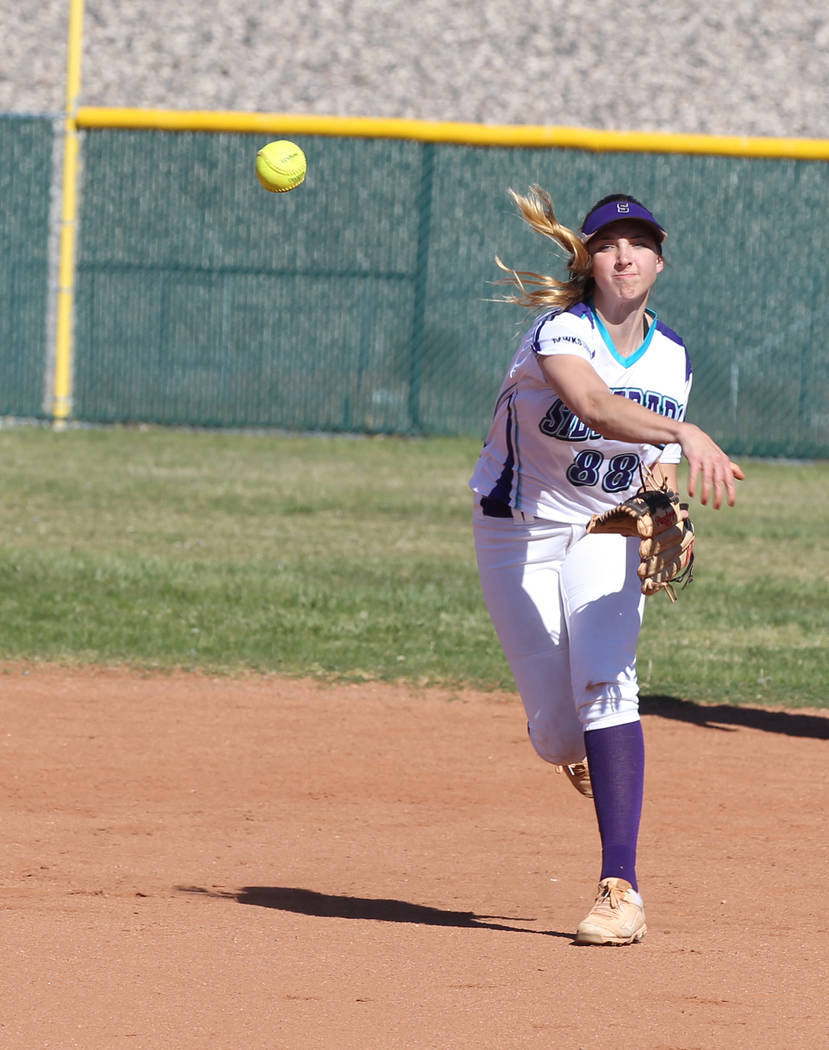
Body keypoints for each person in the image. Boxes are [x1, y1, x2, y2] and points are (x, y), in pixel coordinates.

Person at [469, 186, 743, 946]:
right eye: (607, 243)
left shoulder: (672, 353)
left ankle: (619, 889)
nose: (623, 255)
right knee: (559, 734)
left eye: (638, 243)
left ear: (659, 260)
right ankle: (575, 750)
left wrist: (659, 507)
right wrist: (685, 432)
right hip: (515, 528)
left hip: (603, 527)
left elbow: (649, 463)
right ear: (588, 259)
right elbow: (592, 405)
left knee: (606, 684)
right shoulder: (560, 330)